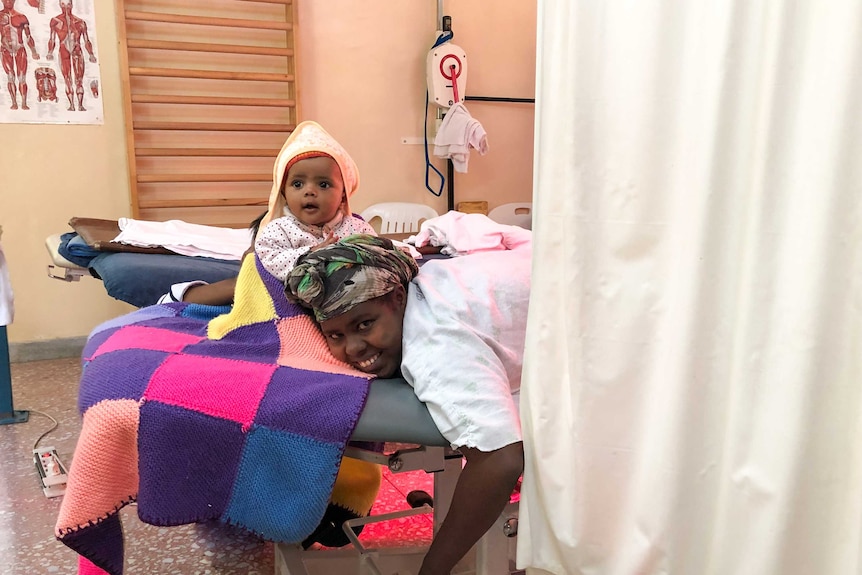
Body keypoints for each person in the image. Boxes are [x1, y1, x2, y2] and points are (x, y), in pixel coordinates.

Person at [286, 234, 530, 575]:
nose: (354, 348)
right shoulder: (426, 283)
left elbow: (500, 458)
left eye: (365, 324)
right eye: (336, 336)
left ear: (398, 298)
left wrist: (433, 568)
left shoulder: (434, 349)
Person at [254, 120, 377, 284]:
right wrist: (311, 254)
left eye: (323, 184)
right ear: (283, 192)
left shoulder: (357, 228)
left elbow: (379, 257)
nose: (309, 191)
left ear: (343, 194)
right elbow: (269, 257)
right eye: (297, 184)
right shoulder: (279, 229)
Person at [46, 0, 97, 112]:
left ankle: (80, 105)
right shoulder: (55, 21)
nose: (66, 7)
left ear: (72, 5)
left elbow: (86, 40)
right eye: (63, 4)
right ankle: (71, 105)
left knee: (79, 80)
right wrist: (50, 52)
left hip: (77, 51)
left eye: (68, 4)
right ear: (60, 5)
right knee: (67, 79)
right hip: (63, 51)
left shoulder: (80, 22)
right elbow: (52, 38)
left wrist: (91, 54)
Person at [0, 0, 39, 110]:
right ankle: (14, 102)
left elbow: (28, 36)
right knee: (10, 77)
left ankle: (24, 103)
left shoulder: (21, 17)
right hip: (5, 50)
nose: (8, 1)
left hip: (20, 49)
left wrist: (34, 52)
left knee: (22, 78)